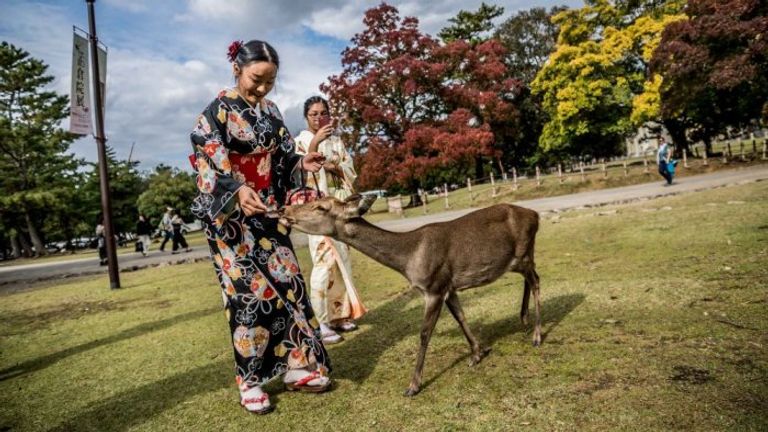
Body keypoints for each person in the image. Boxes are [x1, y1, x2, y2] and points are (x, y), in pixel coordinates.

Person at [189, 39, 329, 414]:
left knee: (289, 282)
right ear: (237, 69)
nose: (263, 88)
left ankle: (297, 365)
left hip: (267, 209)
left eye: (270, 81)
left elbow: (283, 156)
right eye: (257, 79)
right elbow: (207, 158)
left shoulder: (271, 111)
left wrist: (301, 163)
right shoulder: (216, 111)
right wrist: (236, 188)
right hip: (231, 219)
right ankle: (250, 381)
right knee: (248, 295)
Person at [294, 96, 367, 344]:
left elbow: (349, 169)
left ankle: (339, 315)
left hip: (340, 208)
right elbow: (301, 172)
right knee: (323, 262)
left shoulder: (337, 141)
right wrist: (316, 143)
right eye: (313, 114)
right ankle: (320, 322)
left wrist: (335, 167)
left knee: (341, 260)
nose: (319, 118)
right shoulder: (301, 141)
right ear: (306, 116)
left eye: (323, 113)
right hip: (319, 211)